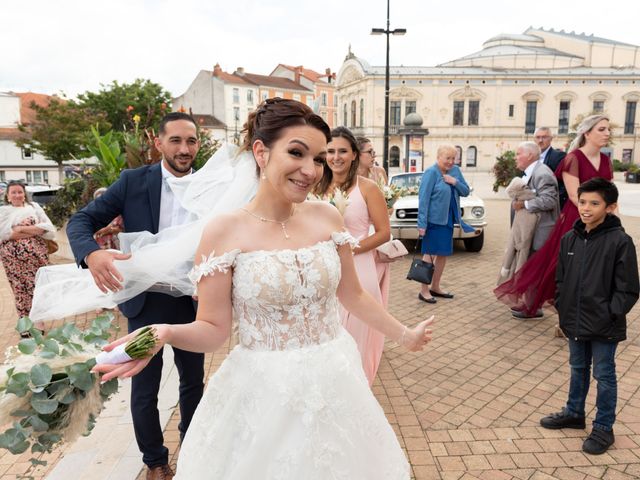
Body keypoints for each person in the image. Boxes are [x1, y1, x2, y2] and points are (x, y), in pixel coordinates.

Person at [94, 98, 433, 479]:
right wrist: (164, 332)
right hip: (264, 392)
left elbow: (352, 295)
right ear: (261, 151)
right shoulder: (224, 231)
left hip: (335, 380)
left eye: (319, 159)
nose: (310, 170)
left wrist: (405, 335)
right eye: (296, 153)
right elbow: (214, 328)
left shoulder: (327, 216)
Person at [67, 112, 205, 480]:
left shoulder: (211, 186)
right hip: (146, 300)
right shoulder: (132, 182)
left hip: (193, 302)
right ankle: (155, 462)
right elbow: (80, 221)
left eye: (191, 141)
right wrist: (92, 253)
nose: (184, 148)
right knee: (145, 385)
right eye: (175, 140)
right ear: (158, 143)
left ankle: (190, 450)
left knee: (193, 382)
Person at [539, 178, 639, 455]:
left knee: (604, 375)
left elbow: (629, 288)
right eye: (582, 202)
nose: (586, 208)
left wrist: (610, 313)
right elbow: (561, 280)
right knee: (577, 368)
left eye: (594, 203)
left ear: (611, 207)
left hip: (604, 324)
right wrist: (563, 307)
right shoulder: (570, 238)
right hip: (574, 321)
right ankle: (574, 413)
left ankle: (604, 427)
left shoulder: (620, 241)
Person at [495, 115, 613, 322]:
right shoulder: (573, 159)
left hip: (599, 220)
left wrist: (614, 222)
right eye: (602, 129)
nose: (607, 133)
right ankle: (556, 308)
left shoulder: (605, 160)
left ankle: (582, 310)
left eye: (607, 129)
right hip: (577, 220)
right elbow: (576, 197)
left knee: (593, 267)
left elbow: (612, 195)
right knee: (555, 267)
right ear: (587, 133)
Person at [314, 126, 391, 386]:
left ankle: (356, 389)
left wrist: (351, 248)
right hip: (324, 269)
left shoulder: (368, 188)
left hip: (360, 268)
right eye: (330, 151)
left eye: (342, 151)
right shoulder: (315, 186)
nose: (336, 157)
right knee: (327, 333)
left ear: (355, 155)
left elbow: (383, 233)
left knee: (356, 334)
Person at [500, 142, 559, 290]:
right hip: (529, 231)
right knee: (527, 268)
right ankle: (526, 302)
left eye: (519, 154)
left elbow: (550, 200)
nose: (515, 157)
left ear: (530, 155)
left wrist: (524, 205)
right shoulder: (533, 171)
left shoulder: (543, 173)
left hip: (539, 231)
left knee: (535, 269)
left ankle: (531, 306)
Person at [416, 144, 471, 303]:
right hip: (433, 222)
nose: (450, 161)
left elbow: (466, 191)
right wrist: (422, 224)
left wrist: (454, 182)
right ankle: (424, 290)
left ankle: (436, 286)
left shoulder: (455, 172)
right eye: (448, 158)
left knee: (442, 255)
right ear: (439, 157)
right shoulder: (431, 173)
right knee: (430, 255)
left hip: (448, 220)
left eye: (453, 158)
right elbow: (424, 200)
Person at [0, 180, 55, 335]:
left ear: (24, 194)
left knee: (36, 287)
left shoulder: (35, 208)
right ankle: (24, 323)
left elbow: (48, 229)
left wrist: (21, 228)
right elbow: (5, 234)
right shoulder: (3, 212)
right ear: (8, 196)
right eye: (13, 192)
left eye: (20, 192)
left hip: (36, 257)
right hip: (12, 259)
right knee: (20, 289)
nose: (17, 195)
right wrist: (34, 230)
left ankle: (39, 321)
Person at [534, 127, 568, 208]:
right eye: (538, 137)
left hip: (551, 206)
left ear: (551, 139)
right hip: (533, 204)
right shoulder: (531, 157)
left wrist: (554, 201)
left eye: (544, 137)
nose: (540, 140)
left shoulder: (559, 156)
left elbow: (565, 184)